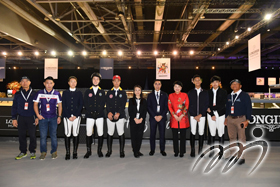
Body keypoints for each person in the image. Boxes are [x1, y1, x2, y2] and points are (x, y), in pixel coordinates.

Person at [33, 76, 62, 160]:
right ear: (44, 84)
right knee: (43, 136)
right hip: (43, 118)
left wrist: (59, 116)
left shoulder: (57, 93)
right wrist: (38, 115)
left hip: (53, 118)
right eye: (47, 83)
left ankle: (54, 152)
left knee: (53, 135)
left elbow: (60, 105)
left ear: (53, 84)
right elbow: (35, 104)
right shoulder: (39, 93)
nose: (49, 85)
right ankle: (43, 152)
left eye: (51, 83)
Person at [224, 79, 252, 165]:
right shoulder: (229, 96)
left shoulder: (245, 95)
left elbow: (249, 108)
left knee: (241, 139)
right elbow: (228, 108)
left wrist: (247, 120)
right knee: (232, 138)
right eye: (232, 84)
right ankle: (233, 155)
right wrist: (226, 118)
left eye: (236, 84)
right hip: (230, 119)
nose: (234, 85)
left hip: (241, 119)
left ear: (240, 86)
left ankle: (241, 157)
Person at [12, 76, 38, 160]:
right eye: (23, 81)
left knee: (32, 135)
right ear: (20, 83)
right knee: (21, 135)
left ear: (30, 82)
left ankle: (32, 151)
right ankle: (23, 151)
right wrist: (14, 118)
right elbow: (14, 107)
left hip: (32, 117)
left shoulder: (35, 93)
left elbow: (39, 106)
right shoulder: (17, 94)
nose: (25, 83)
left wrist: (37, 117)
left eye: (26, 81)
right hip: (21, 117)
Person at [83, 72, 106, 158]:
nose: (95, 81)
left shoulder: (102, 91)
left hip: (100, 115)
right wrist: (91, 112)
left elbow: (103, 103)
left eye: (97, 79)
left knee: (100, 133)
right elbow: (85, 102)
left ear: (99, 81)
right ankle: (88, 151)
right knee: (88, 133)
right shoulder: (88, 91)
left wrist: (98, 112)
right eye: (94, 79)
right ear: (92, 80)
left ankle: (99, 150)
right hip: (89, 115)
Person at [105, 75, 127, 158]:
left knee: (121, 133)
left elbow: (123, 104)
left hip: (120, 116)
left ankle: (121, 151)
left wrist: (119, 113)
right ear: (112, 82)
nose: (116, 82)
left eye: (118, 81)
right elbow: (107, 104)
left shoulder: (123, 92)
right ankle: (109, 150)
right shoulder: (109, 92)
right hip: (110, 116)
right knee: (110, 133)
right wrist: (109, 112)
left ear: (120, 82)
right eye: (115, 81)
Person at [62, 76, 83, 160]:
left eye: (74, 81)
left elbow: (81, 105)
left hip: (76, 117)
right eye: (71, 81)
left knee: (75, 133)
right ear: (68, 83)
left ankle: (75, 152)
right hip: (67, 117)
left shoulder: (79, 93)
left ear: (76, 83)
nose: (73, 83)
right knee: (67, 134)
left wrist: (75, 115)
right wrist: (68, 116)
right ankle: (67, 152)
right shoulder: (65, 93)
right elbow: (63, 105)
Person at [188, 74, 209, 157]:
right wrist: (194, 115)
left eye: (199, 80)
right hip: (193, 116)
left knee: (201, 132)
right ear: (193, 81)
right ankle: (192, 150)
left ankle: (200, 150)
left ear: (201, 81)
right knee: (193, 132)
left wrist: (200, 114)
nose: (197, 81)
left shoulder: (205, 92)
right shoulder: (190, 92)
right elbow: (188, 105)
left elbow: (206, 104)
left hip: (202, 116)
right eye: (195, 80)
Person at [207, 76, 227, 158]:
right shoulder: (207, 92)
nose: (215, 83)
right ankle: (212, 151)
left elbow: (223, 104)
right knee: (212, 132)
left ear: (219, 83)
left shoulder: (223, 92)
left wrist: (214, 109)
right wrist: (212, 114)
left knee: (221, 132)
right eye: (213, 82)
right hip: (210, 114)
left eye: (216, 82)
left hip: (221, 114)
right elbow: (207, 104)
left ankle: (221, 152)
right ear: (211, 83)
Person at [168, 81, 189, 157]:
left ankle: (182, 151)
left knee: (183, 136)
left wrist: (182, 115)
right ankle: (176, 151)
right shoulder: (170, 95)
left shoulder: (185, 95)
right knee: (175, 136)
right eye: (175, 86)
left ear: (181, 88)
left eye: (178, 87)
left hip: (183, 118)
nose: (177, 88)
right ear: (173, 88)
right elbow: (169, 106)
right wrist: (175, 115)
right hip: (174, 118)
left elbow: (186, 106)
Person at [147, 80, 168, 156]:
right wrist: (155, 116)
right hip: (153, 118)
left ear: (161, 85)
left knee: (162, 134)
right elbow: (148, 107)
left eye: (159, 84)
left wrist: (161, 116)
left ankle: (162, 150)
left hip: (162, 118)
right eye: (156, 84)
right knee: (152, 134)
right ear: (153, 85)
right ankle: (152, 150)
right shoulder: (150, 95)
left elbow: (166, 107)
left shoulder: (165, 95)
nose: (157, 85)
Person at [128, 85, 147, 158]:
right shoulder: (131, 100)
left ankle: (138, 150)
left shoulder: (144, 100)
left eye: (139, 90)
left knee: (139, 136)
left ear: (141, 91)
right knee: (134, 136)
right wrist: (135, 119)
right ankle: (135, 151)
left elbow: (145, 111)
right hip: (133, 121)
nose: (137, 91)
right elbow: (130, 111)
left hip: (141, 121)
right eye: (136, 90)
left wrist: (141, 119)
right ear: (134, 91)